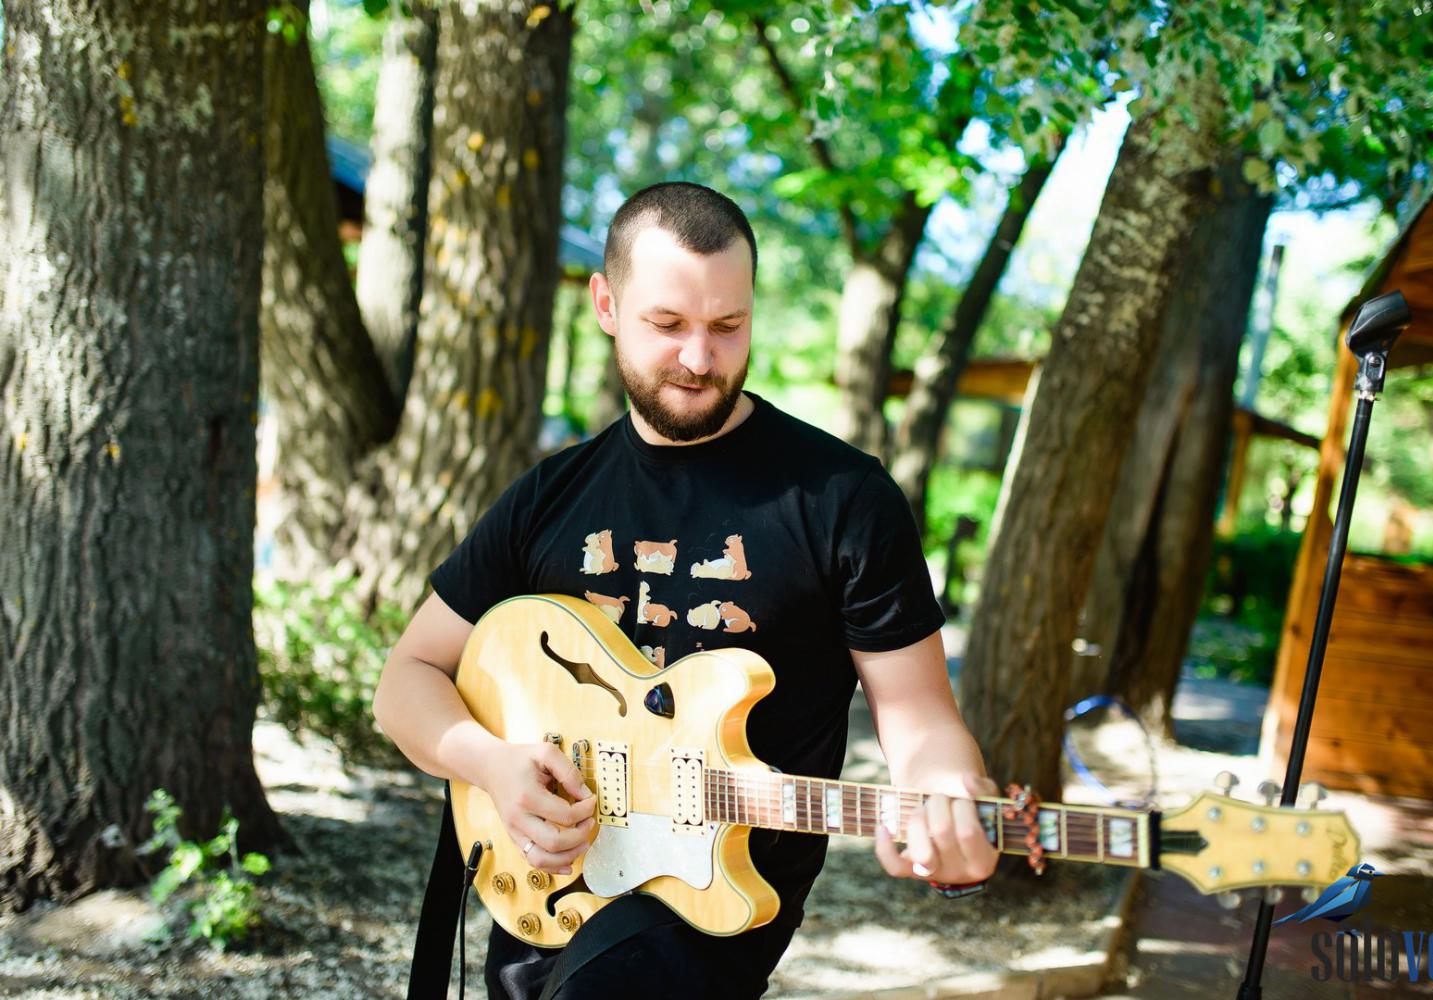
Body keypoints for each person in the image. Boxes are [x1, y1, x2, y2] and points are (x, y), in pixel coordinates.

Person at [372, 182, 1000, 1000]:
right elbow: (407, 678)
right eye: (667, 325)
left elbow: (921, 722)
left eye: (727, 326)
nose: (700, 359)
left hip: (709, 914)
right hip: (550, 889)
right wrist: (490, 763)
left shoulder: (844, 500)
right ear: (606, 305)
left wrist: (950, 797)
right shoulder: (548, 497)